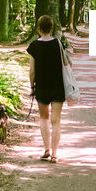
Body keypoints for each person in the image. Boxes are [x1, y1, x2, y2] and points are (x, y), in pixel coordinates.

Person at [27, 15, 66, 163]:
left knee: (44, 118)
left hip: (42, 86)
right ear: (52, 28)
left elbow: (32, 70)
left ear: (38, 28)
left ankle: (46, 149)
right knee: (56, 121)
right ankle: (55, 154)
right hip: (58, 86)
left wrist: (32, 86)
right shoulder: (59, 44)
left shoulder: (34, 46)